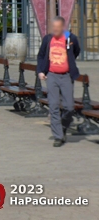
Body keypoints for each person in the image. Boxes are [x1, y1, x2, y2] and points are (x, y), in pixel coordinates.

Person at [37, 16, 81, 147]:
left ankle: (62, 127)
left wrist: (70, 63)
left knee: (69, 108)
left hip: (66, 76)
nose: (55, 30)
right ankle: (58, 136)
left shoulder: (70, 38)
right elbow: (41, 55)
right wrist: (40, 71)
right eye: (53, 28)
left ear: (62, 27)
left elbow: (76, 51)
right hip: (52, 76)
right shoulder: (48, 39)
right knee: (54, 106)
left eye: (58, 28)